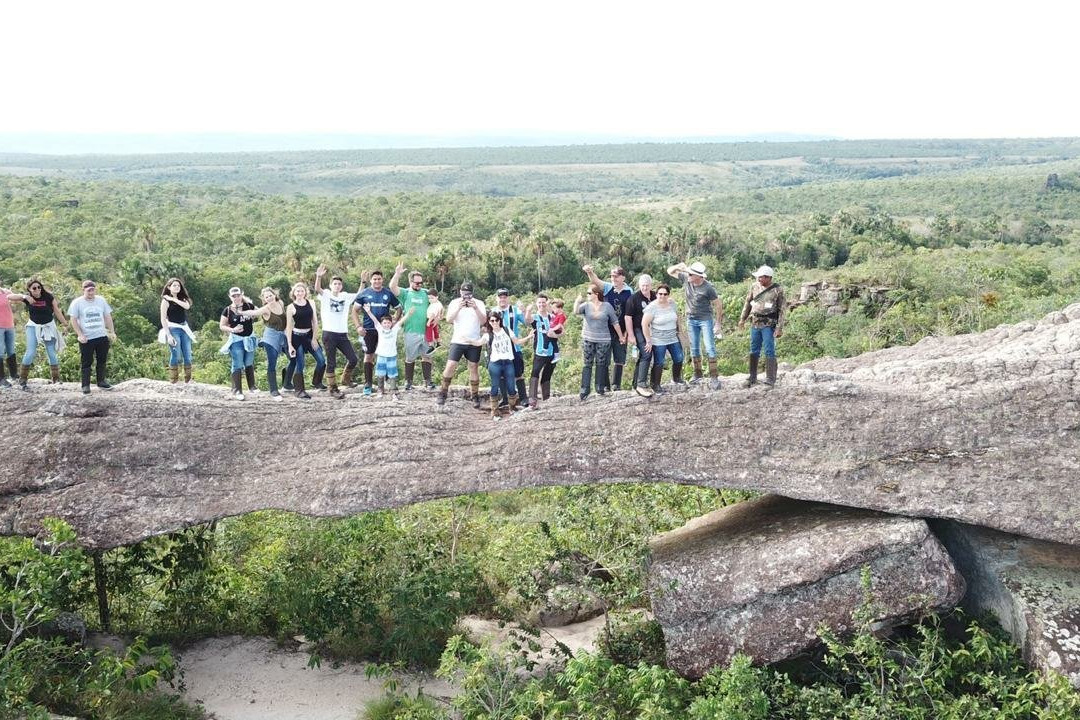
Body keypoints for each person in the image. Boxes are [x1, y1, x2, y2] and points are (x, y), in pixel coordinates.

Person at [667, 261, 723, 389]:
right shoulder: (687, 279)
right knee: (694, 348)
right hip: (691, 319)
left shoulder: (708, 288)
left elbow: (718, 304)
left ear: (699, 276)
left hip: (705, 319)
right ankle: (697, 374)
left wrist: (718, 323)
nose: (689, 275)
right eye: (689, 274)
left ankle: (714, 377)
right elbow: (670, 271)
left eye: (691, 274)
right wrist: (679, 266)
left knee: (709, 347)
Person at [351, 267, 402, 397]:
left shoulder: (388, 293)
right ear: (371, 280)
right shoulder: (364, 293)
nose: (377, 281)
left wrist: (395, 320)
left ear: (382, 280)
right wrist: (358, 327)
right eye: (374, 279)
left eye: (379, 279)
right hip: (368, 330)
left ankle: (385, 384)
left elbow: (398, 307)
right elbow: (354, 310)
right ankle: (368, 384)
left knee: (384, 355)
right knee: (369, 355)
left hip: (384, 332)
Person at [436, 282, 487, 408]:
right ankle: (443, 392)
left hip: (474, 340)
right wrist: (459, 307)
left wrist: (475, 308)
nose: (466, 297)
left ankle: (474, 395)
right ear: (460, 292)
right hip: (458, 340)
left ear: (472, 294)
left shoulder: (479, 303)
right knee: (451, 365)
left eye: (469, 294)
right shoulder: (454, 303)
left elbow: (483, 321)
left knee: (473, 367)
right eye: (464, 294)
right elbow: (448, 320)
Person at [583, 264, 633, 391]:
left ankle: (616, 384)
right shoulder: (607, 288)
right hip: (605, 331)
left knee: (620, 357)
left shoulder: (629, 292)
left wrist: (626, 332)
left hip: (621, 329)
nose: (613, 279)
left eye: (616, 276)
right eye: (612, 276)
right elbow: (595, 281)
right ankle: (605, 385)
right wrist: (589, 272)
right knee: (603, 358)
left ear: (623, 277)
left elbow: (629, 313)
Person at [314, 264, 360, 399]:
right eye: (335, 283)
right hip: (329, 333)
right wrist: (318, 276)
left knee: (353, 358)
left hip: (342, 333)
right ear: (330, 285)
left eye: (339, 284)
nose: (337, 286)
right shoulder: (326, 295)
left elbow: (359, 294)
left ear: (342, 286)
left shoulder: (345, 296)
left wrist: (363, 282)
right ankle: (332, 388)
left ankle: (346, 379)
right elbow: (318, 288)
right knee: (331, 362)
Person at [739, 265, 787, 387]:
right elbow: (748, 303)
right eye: (758, 277)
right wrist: (742, 319)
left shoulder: (778, 290)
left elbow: (782, 310)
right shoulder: (754, 287)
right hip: (755, 322)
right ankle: (752, 377)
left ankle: (770, 378)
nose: (759, 279)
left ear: (768, 278)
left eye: (761, 277)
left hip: (769, 324)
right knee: (754, 349)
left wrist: (779, 327)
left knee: (769, 350)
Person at [479, 311, 533, 419]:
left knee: (511, 387)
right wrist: (466, 340)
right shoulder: (488, 335)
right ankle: (494, 411)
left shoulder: (507, 330)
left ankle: (512, 408)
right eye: (492, 320)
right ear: (489, 322)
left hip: (508, 362)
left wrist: (528, 337)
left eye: (496, 320)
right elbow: (478, 343)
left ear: (500, 320)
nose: (494, 322)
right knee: (495, 386)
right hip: (495, 363)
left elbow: (516, 342)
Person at [389, 265, 435, 391]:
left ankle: (428, 381)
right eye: (417, 283)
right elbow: (392, 287)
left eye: (421, 282)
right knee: (410, 357)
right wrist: (397, 274)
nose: (419, 285)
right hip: (411, 330)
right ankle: (408, 382)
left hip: (426, 331)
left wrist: (437, 317)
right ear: (410, 282)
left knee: (427, 356)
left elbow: (437, 305)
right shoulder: (405, 293)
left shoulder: (426, 293)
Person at [17, 279, 69, 388]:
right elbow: (10, 297)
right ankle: (23, 378)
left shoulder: (48, 297)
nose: (37, 290)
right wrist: (25, 297)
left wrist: (65, 324)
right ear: (29, 290)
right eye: (34, 288)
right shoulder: (28, 298)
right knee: (30, 351)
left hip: (48, 326)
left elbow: (57, 311)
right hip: (33, 326)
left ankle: (55, 378)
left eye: (39, 287)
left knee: (51, 353)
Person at [238, 287, 288, 401]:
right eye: (266, 297)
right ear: (264, 299)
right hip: (270, 337)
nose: (269, 298)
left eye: (270, 295)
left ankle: (287, 384)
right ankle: (274, 391)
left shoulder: (281, 303)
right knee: (272, 364)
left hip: (283, 335)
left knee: (293, 359)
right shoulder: (265, 309)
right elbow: (254, 312)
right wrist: (241, 312)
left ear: (274, 295)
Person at [573, 284, 621, 401]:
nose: (588, 295)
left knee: (601, 363)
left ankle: (599, 387)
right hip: (588, 338)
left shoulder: (607, 306)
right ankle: (585, 389)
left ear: (596, 294)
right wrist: (577, 301)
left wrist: (621, 336)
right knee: (587, 363)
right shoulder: (586, 306)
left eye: (589, 293)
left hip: (603, 339)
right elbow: (575, 312)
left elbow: (615, 322)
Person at [69, 279, 116, 395]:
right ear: (83, 290)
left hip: (101, 335)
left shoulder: (101, 300)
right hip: (87, 337)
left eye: (93, 290)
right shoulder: (77, 303)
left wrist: (112, 332)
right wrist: (80, 334)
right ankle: (85, 385)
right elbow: (73, 320)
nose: (91, 293)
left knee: (102, 360)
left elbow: (107, 316)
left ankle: (101, 381)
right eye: (89, 290)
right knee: (86, 362)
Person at [285, 282, 325, 400]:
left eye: (302, 291)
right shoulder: (291, 307)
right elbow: (288, 327)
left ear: (305, 292)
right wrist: (290, 345)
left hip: (309, 335)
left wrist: (314, 339)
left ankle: (317, 382)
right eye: (297, 291)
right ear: (294, 293)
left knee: (321, 360)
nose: (300, 293)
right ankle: (300, 390)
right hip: (297, 336)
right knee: (300, 364)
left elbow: (315, 322)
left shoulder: (311, 303)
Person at [642, 284, 684, 393]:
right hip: (658, 339)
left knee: (679, 358)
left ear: (668, 295)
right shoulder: (652, 307)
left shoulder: (672, 304)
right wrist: (648, 340)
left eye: (665, 294)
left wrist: (680, 331)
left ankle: (676, 378)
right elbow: (644, 324)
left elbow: (677, 317)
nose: (662, 296)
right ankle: (655, 384)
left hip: (672, 337)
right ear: (656, 294)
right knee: (659, 362)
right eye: (660, 294)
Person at [364, 304, 412, 399]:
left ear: (391, 323)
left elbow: (401, 321)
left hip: (392, 356)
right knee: (380, 373)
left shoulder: (394, 330)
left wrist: (408, 314)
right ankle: (380, 390)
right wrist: (368, 311)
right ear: (382, 324)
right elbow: (374, 320)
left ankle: (393, 391)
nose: (386, 324)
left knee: (392, 374)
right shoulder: (380, 329)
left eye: (388, 323)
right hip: (381, 355)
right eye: (384, 323)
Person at [523, 293, 562, 410]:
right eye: (539, 302)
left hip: (552, 351)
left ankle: (546, 398)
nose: (541, 304)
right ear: (536, 304)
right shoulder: (535, 317)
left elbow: (561, 331)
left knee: (547, 375)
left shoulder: (552, 317)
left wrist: (554, 334)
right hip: (540, 351)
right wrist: (528, 311)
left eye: (543, 302)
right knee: (535, 373)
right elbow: (528, 320)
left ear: (546, 303)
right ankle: (532, 399)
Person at [493, 288, 530, 408]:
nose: (502, 299)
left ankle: (524, 398)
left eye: (505, 296)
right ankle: (505, 399)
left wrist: (525, 311)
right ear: (497, 298)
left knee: (518, 372)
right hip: (499, 348)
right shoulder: (493, 312)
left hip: (514, 346)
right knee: (501, 374)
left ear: (508, 298)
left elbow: (526, 322)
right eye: (500, 296)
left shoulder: (515, 310)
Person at [219, 287, 258, 400]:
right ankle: (237, 390)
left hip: (249, 338)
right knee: (237, 363)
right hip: (236, 340)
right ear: (230, 297)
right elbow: (222, 325)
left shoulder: (249, 306)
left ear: (242, 294)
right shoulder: (227, 310)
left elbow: (258, 312)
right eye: (233, 296)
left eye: (238, 295)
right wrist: (233, 329)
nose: (236, 298)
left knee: (249, 362)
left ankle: (252, 386)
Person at [623, 274, 658, 397]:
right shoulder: (633, 299)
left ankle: (636, 383)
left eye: (647, 285)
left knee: (645, 355)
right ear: (639, 286)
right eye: (642, 285)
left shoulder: (655, 296)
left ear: (651, 285)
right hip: (638, 329)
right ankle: (641, 383)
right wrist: (631, 335)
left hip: (653, 329)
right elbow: (628, 318)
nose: (645, 288)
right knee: (646, 353)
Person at [158, 277, 195, 384]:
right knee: (176, 354)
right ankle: (174, 380)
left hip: (184, 328)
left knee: (188, 355)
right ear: (169, 287)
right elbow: (163, 318)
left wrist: (174, 299)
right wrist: (168, 335)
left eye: (178, 285)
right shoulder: (165, 301)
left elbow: (187, 306)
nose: (176, 287)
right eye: (174, 285)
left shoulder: (182, 299)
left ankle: (188, 379)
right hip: (173, 328)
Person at [0, 282, 26, 387]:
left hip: (9, 325)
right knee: (0, 351)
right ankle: (1, 378)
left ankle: (14, 375)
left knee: (11, 350)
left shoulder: (5, 292)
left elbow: (15, 298)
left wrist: (25, 296)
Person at [425, 289, 443, 358]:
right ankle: (438, 343)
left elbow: (432, 314)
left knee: (428, 332)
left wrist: (429, 321)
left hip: (430, 319)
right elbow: (441, 310)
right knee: (435, 331)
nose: (430, 300)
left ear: (437, 297)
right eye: (429, 298)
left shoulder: (434, 305)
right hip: (435, 319)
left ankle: (431, 345)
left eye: (432, 298)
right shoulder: (438, 303)